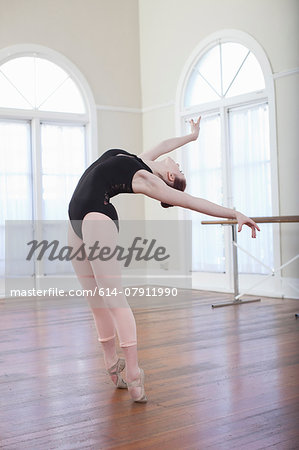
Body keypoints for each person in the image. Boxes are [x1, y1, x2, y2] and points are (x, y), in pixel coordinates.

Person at [68, 116, 260, 403]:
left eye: (178, 168)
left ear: (170, 178)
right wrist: (191, 137)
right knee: (94, 300)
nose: (176, 162)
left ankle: (133, 373)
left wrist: (234, 214)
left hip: (98, 216)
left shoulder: (144, 178)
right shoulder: (138, 162)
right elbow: (162, 145)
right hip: (74, 219)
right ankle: (112, 365)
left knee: (112, 298)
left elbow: (194, 201)